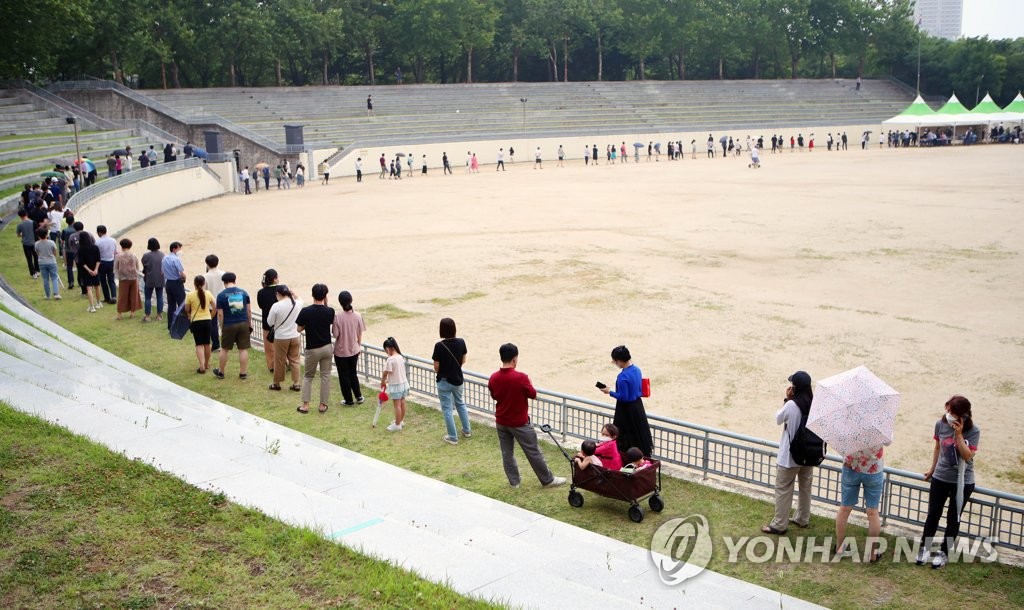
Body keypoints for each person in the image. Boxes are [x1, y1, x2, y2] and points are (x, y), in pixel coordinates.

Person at [488, 343, 565, 488]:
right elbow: (533, 394)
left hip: (501, 421)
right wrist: (529, 383)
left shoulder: (493, 377)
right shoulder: (521, 377)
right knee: (533, 452)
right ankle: (548, 480)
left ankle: (514, 482)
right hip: (520, 423)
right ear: (514, 359)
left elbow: (494, 396)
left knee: (507, 453)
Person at [917, 395, 980, 569]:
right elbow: (938, 447)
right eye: (948, 410)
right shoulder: (940, 424)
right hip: (940, 477)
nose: (948, 414)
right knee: (933, 515)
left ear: (963, 415)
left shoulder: (973, 431)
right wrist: (932, 469)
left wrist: (958, 435)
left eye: (952, 412)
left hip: (963, 482)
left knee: (953, 518)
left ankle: (943, 553)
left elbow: (967, 456)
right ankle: (924, 548)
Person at [762, 371, 815, 535]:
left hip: (790, 457)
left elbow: (778, 419)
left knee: (783, 489)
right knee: (805, 488)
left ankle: (779, 524)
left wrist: (787, 399)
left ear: (794, 388)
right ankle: (802, 518)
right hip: (808, 454)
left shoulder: (792, 405)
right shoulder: (814, 404)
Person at [599, 345, 653, 458]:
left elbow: (624, 397)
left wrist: (609, 392)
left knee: (623, 435)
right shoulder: (637, 370)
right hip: (637, 406)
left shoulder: (622, 377)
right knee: (638, 434)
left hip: (625, 409)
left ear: (619, 361)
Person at [835, 445, 886, 562]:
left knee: (844, 509)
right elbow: (888, 441)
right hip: (873, 469)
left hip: (850, 466)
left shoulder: (850, 431)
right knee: (873, 512)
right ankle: (872, 554)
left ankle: (839, 548)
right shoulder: (878, 431)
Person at [295, 283, 335, 414]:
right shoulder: (330, 311)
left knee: (308, 376)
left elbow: (299, 329)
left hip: (312, 349)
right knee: (325, 376)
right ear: (325, 296)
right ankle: (323, 405)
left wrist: (308, 324)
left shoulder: (306, 311)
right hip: (327, 347)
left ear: (312, 295)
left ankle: (305, 405)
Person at [432, 317, 472, 445]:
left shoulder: (439, 346)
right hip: (457, 379)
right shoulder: (461, 342)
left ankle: (452, 437)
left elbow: (436, 366)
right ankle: (467, 430)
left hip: (444, 381)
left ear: (441, 330)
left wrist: (443, 371)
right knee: (460, 403)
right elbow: (463, 360)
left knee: (447, 409)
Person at [213, 272, 251, 380]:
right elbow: (248, 310)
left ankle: (221, 372)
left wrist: (222, 326)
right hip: (243, 323)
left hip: (229, 324)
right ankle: (243, 373)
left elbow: (220, 314)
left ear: (224, 282)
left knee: (224, 349)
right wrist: (249, 323)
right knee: (243, 349)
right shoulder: (244, 293)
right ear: (235, 280)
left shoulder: (221, 295)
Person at [266, 285, 302, 392]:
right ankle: (296, 383)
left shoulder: (276, 306)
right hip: (295, 335)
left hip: (281, 337)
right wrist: (294, 294)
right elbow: (300, 299)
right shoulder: (297, 303)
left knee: (279, 360)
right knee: (295, 360)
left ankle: (276, 383)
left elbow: (270, 322)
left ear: (278, 294)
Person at [332, 290, 365, 406]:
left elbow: (335, 335)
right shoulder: (358, 316)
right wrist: (358, 346)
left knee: (344, 376)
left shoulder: (337, 317)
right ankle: (359, 396)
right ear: (351, 300)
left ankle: (348, 400)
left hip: (341, 352)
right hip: (354, 350)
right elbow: (360, 333)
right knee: (353, 374)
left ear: (340, 302)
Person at [185, 275, 215, 373]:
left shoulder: (190, 295)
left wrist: (189, 315)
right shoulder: (208, 293)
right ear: (204, 283)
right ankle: (206, 364)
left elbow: (186, 309)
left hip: (196, 321)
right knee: (207, 343)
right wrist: (211, 316)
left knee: (198, 344)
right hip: (207, 320)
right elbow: (215, 307)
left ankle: (201, 366)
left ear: (194, 283)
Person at [379, 337, 408, 431]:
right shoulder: (400, 357)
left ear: (388, 348)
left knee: (397, 406)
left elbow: (385, 373)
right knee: (402, 403)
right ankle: (400, 421)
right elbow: (396, 372)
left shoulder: (390, 359)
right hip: (404, 384)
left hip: (396, 386)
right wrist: (388, 381)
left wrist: (383, 381)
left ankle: (397, 424)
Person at [256, 269, 280, 374]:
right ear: (274, 279)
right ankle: (285, 362)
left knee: (269, 347)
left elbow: (261, 305)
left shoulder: (261, 292)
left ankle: (272, 366)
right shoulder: (281, 289)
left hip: (267, 322)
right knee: (282, 345)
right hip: (281, 322)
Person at [113, 238, 141, 319]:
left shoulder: (118, 256)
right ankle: (132, 313)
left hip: (123, 278)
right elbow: (137, 267)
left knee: (122, 296)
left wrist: (118, 277)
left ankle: (119, 314)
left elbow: (115, 268)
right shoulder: (134, 255)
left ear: (121, 246)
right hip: (133, 278)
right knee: (134, 295)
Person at [161, 242, 186, 331]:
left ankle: (171, 325)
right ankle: (181, 325)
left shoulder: (164, 258)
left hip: (168, 283)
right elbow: (182, 273)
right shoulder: (176, 259)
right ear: (174, 249)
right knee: (182, 305)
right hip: (176, 283)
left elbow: (162, 272)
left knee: (171, 306)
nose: (180, 251)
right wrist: (184, 278)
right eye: (179, 248)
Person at [203, 254, 225, 351]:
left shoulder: (204, 277)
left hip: (211, 304)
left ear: (207, 264)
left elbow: (203, 292)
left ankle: (216, 344)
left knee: (213, 324)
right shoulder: (223, 274)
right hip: (223, 303)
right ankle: (229, 341)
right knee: (225, 323)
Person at [141, 238, 164, 323]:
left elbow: (144, 265)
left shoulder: (146, 256)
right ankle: (159, 315)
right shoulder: (162, 255)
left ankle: (147, 316)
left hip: (149, 278)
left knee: (148, 298)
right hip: (160, 278)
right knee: (160, 297)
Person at [78, 231, 102, 312]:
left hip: (86, 271)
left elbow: (81, 262)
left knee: (89, 288)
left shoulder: (81, 249)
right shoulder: (95, 247)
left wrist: (89, 270)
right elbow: (98, 260)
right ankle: (98, 303)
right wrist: (96, 269)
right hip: (95, 270)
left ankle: (92, 307)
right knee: (97, 286)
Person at [34, 228, 60, 300]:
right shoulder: (52, 242)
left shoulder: (36, 244)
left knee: (45, 279)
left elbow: (38, 253)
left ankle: (47, 295)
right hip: (51, 261)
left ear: (38, 235)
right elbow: (55, 253)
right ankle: (56, 294)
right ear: (47, 234)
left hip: (42, 262)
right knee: (54, 278)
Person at [95, 225, 117, 304]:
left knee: (103, 281)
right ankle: (114, 296)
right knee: (111, 280)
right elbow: (115, 252)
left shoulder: (98, 242)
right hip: (111, 261)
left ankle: (107, 298)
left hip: (102, 263)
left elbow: (97, 254)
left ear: (99, 232)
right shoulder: (113, 240)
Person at [16, 209, 39, 279]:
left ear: (20, 216)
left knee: (29, 259)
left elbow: (18, 235)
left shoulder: (20, 225)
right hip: (34, 243)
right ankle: (37, 270)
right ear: (26, 214)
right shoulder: (33, 222)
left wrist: (22, 234)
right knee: (36, 257)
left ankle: (33, 273)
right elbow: (37, 232)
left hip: (26, 244)